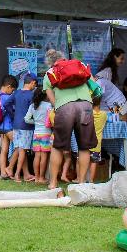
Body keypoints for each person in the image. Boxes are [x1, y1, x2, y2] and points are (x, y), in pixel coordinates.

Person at [43, 50, 103, 189]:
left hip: (64, 108)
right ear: (64, 58)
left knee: (58, 147)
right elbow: (95, 86)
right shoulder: (79, 65)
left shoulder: (50, 73)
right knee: (84, 147)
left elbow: (52, 100)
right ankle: (81, 183)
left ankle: (53, 183)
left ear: (50, 63)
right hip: (85, 106)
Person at [8, 74, 37, 182]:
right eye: (35, 84)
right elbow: (33, 112)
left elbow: (7, 104)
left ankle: (23, 173)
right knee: (23, 150)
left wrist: (13, 114)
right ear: (32, 82)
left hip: (16, 124)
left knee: (19, 149)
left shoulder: (16, 92)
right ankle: (15, 173)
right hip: (26, 125)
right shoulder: (31, 95)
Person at [24, 86, 53, 184]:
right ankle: (41, 178)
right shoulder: (48, 105)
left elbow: (26, 119)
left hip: (36, 134)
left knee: (37, 156)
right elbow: (51, 119)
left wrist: (36, 122)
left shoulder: (32, 106)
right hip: (46, 133)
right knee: (44, 156)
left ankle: (36, 178)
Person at [0, 74, 18, 179]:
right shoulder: (7, 98)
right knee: (20, 147)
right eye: (12, 89)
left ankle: (3, 173)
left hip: (0, 127)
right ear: (8, 86)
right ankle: (11, 168)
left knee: (4, 150)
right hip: (8, 126)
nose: (12, 92)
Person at [87, 95, 108, 182]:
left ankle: (81, 179)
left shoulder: (88, 114)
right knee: (94, 162)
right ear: (100, 102)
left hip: (86, 142)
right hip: (97, 143)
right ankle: (91, 180)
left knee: (83, 160)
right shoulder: (104, 114)